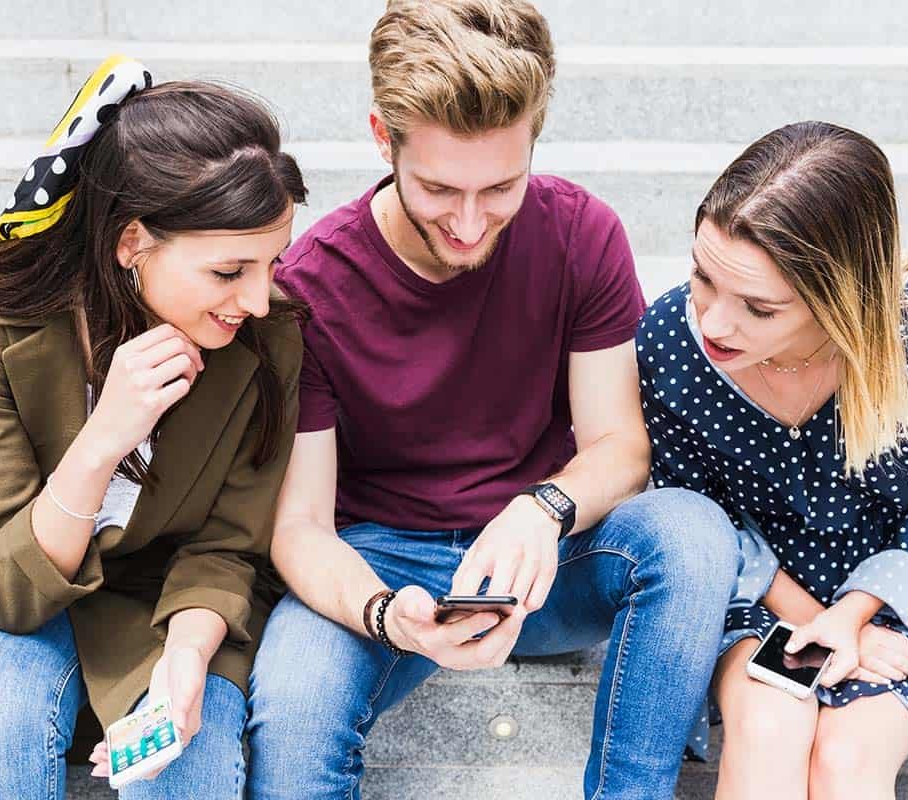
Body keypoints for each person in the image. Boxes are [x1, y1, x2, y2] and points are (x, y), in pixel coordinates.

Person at [244, 2, 740, 798]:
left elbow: (619, 446)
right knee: (294, 712)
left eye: (501, 187)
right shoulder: (310, 286)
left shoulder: (581, 234)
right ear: (382, 138)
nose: (471, 224)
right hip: (379, 560)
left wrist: (540, 509)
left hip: (548, 558)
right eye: (440, 188)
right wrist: (381, 613)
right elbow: (299, 529)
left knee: (692, 535)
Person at [0, 55, 306, 800]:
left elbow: (229, 548)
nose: (260, 299)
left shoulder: (271, 339)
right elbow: (1, 589)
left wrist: (188, 662)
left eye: (273, 262)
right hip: (32, 603)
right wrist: (104, 440)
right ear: (131, 242)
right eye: (230, 272)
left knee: (188, 769)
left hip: (174, 612)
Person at [637, 120, 908, 800]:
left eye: (759, 307)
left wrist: (858, 615)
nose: (715, 323)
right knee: (768, 724)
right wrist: (819, 620)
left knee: (845, 759)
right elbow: (698, 514)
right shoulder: (671, 340)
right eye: (702, 277)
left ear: (841, 296)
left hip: (904, 591)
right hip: (753, 588)